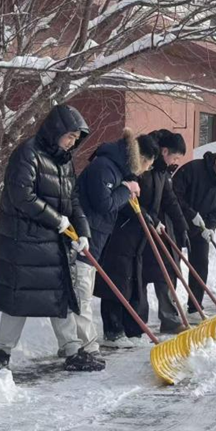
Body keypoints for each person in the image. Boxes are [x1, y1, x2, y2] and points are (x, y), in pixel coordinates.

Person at [0, 104, 104, 372]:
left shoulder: (63, 161)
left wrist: (83, 232)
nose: (71, 143)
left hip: (52, 242)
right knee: (19, 301)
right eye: (69, 137)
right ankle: (2, 353)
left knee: (59, 296)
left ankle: (73, 351)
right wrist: (57, 220)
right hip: (24, 242)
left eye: (76, 140)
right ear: (56, 130)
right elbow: (22, 197)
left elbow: (73, 200)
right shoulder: (27, 154)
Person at [73, 127, 143, 357]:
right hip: (85, 238)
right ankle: (87, 345)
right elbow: (103, 204)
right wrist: (125, 190)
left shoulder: (115, 169)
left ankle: (78, 343)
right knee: (82, 291)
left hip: (95, 237)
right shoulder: (104, 167)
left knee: (83, 290)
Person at [94, 132, 160, 345]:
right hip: (115, 233)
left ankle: (127, 329)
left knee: (128, 281)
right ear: (140, 157)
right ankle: (112, 331)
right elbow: (109, 202)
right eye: (147, 164)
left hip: (131, 236)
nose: (146, 170)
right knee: (115, 280)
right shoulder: (113, 166)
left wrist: (150, 217)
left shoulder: (126, 168)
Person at [172, 144, 216, 314]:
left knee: (201, 264)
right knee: (172, 265)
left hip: (201, 227)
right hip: (178, 222)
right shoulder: (193, 169)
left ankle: (195, 306)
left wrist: (211, 227)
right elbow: (174, 195)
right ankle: (171, 309)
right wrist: (190, 214)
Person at [136, 130, 190, 333]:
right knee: (138, 278)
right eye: (175, 157)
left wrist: (182, 225)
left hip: (156, 229)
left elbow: (170, 199)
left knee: (166, 271)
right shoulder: (144, 166)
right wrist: (154, 220)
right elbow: (136, 200)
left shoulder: (162, 171)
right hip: (138, 231)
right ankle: (138, 324)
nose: (175, 162)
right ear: (164, 151)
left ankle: (169, 319)